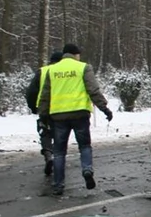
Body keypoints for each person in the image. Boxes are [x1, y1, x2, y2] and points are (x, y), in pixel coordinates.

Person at [37, 43, 113, 196]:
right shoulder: (83, 68)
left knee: (59, 152)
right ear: (75, 54)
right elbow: (93, 90)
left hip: (58, 116)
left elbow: (45, 95)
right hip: (80, 114)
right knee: (84, 146)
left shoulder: (52, 70)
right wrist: (104, 108)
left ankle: (58, 185)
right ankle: (87, 170)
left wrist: (43, 116)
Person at [25, 51, 63, 175]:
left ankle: (48, 154)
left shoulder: (42, 71)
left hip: (44, 108)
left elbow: (31, 91)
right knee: (60, 133)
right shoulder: (63, 72)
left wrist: (33, 107)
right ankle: (58, 157)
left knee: (45, 132)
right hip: (62, 108)